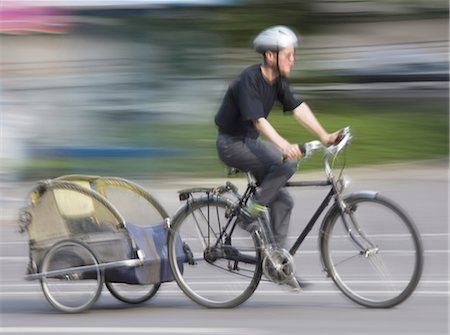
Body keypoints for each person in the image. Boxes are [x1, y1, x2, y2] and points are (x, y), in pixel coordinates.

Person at [215, 25, 341, 249]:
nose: (293, 59)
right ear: (270, 55)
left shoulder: (278, 81)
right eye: (288, 55)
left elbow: (297, 108)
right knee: (288, 163)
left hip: (249, 143)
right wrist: (284, 145)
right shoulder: (249, 79)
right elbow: (258, 121)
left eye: (294, 54)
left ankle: (278, 261)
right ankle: (248, 214)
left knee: (283, 201)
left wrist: (325, 135)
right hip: (231, 144)